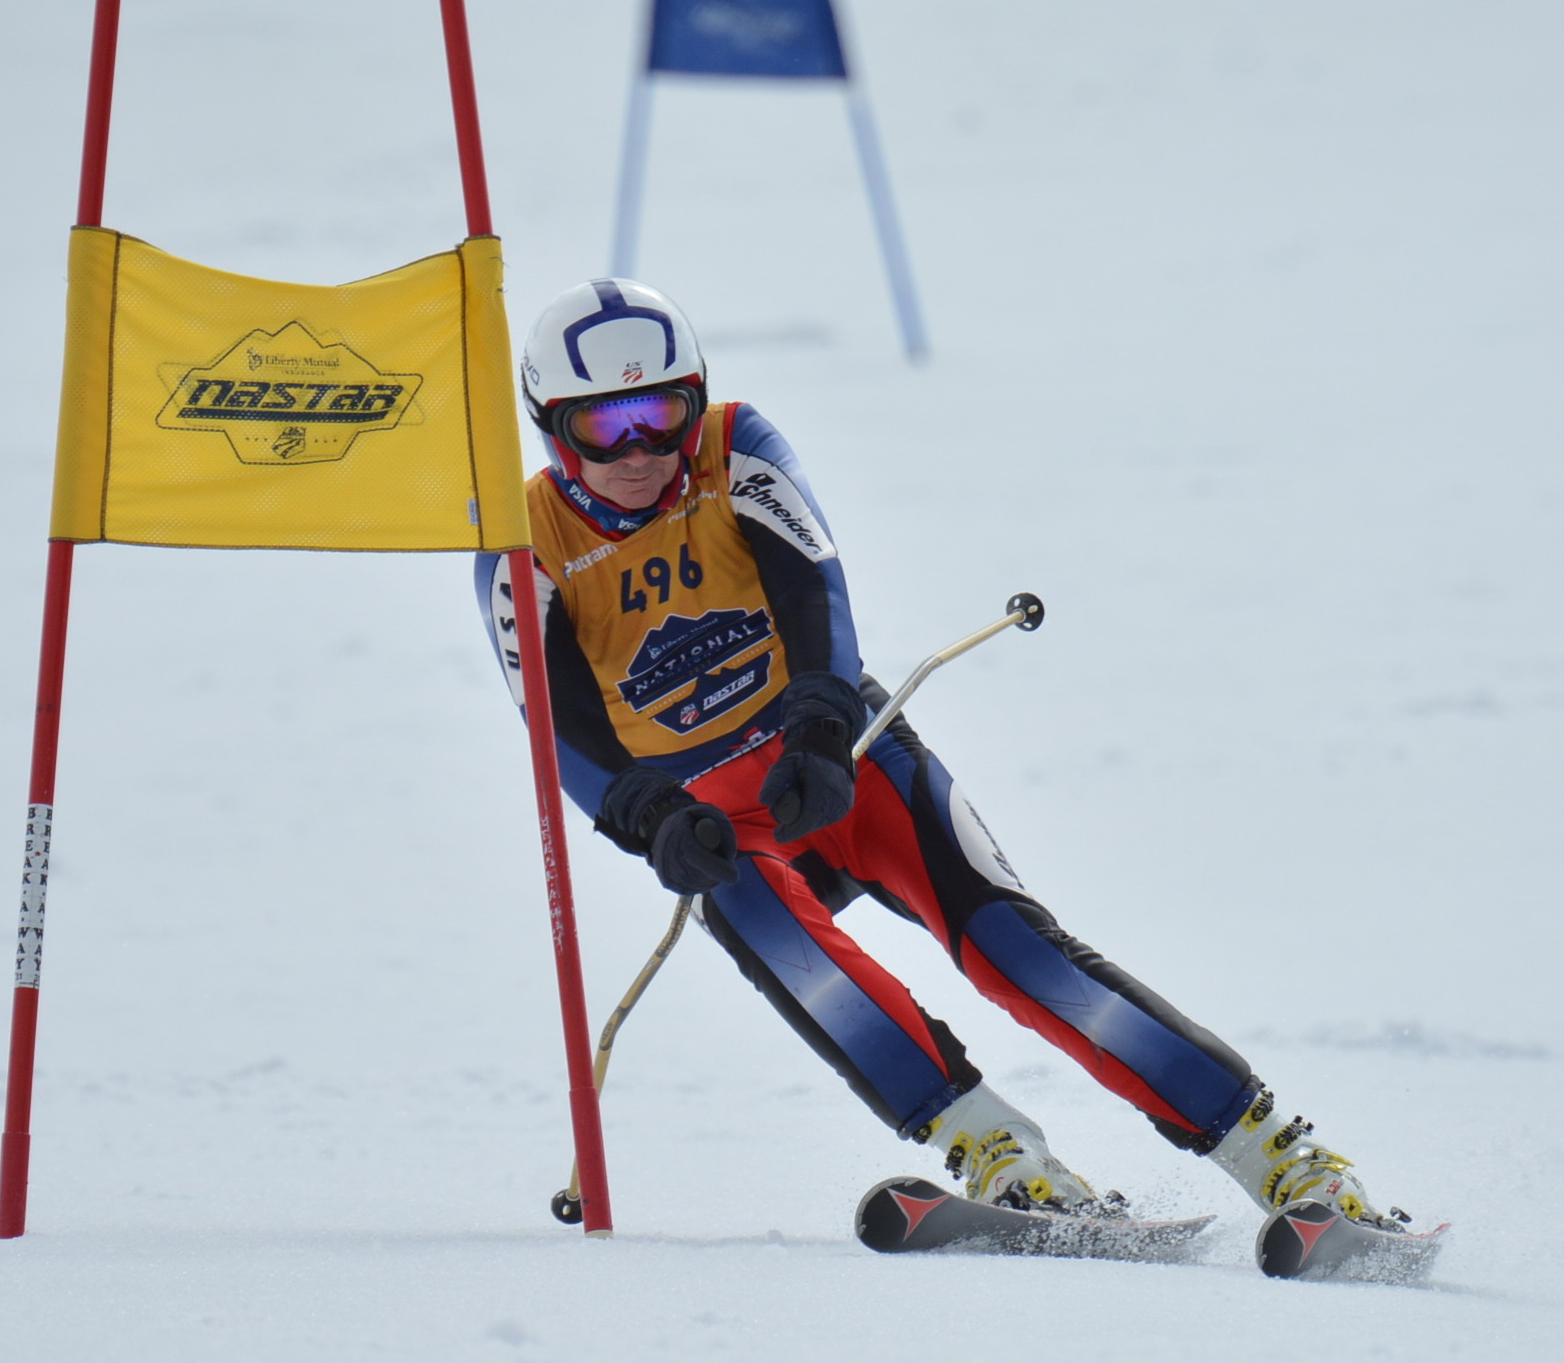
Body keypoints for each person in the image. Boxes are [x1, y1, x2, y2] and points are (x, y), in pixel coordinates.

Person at [475, 277, 1405, 1231]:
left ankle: (1286, 1159)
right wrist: (651, 815)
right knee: (771, 931)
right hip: (713, 810)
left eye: (661, 413)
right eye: (604, 426)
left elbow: (814, 593)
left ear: (696, 399)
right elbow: (558, 724)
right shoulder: (523, 541)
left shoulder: (736, 445)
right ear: (552, 426)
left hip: (845, 757)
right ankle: (1000, 1151)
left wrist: (824, 726)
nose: (639, 451)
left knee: (1012, 949)